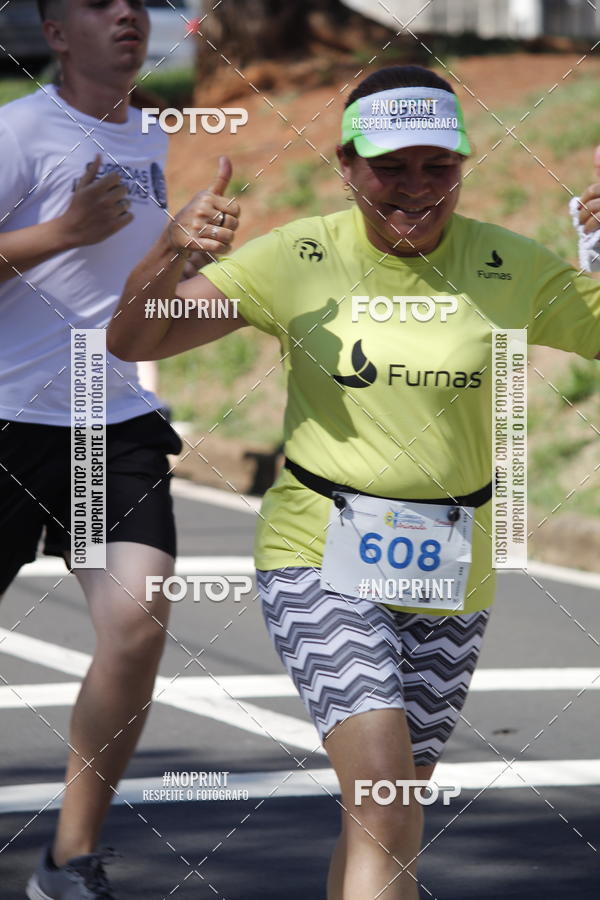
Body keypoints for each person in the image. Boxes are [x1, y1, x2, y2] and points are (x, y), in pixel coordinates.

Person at [108, 64, 600, 899]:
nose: (415, 188)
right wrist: (171, 252)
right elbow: (138, 340)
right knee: (383, 788)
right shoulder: (300, 256)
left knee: (389, 807)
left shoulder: (506, 263)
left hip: (453, 561)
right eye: (389, 167)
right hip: (319, 550)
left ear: (463, 166)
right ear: (345, 164)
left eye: (437, 167)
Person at [0, 1, 239, 897]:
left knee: (136, 625)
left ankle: (69, 860)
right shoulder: (18, 132)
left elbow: (130, 286)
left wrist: (193, 256)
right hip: (7, 418)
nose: (127, 15)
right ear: (56, 33)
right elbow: (68, 251)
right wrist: (61, 232)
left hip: (111, 419)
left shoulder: (148, 133)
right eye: (99, 4)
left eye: (136, 3)